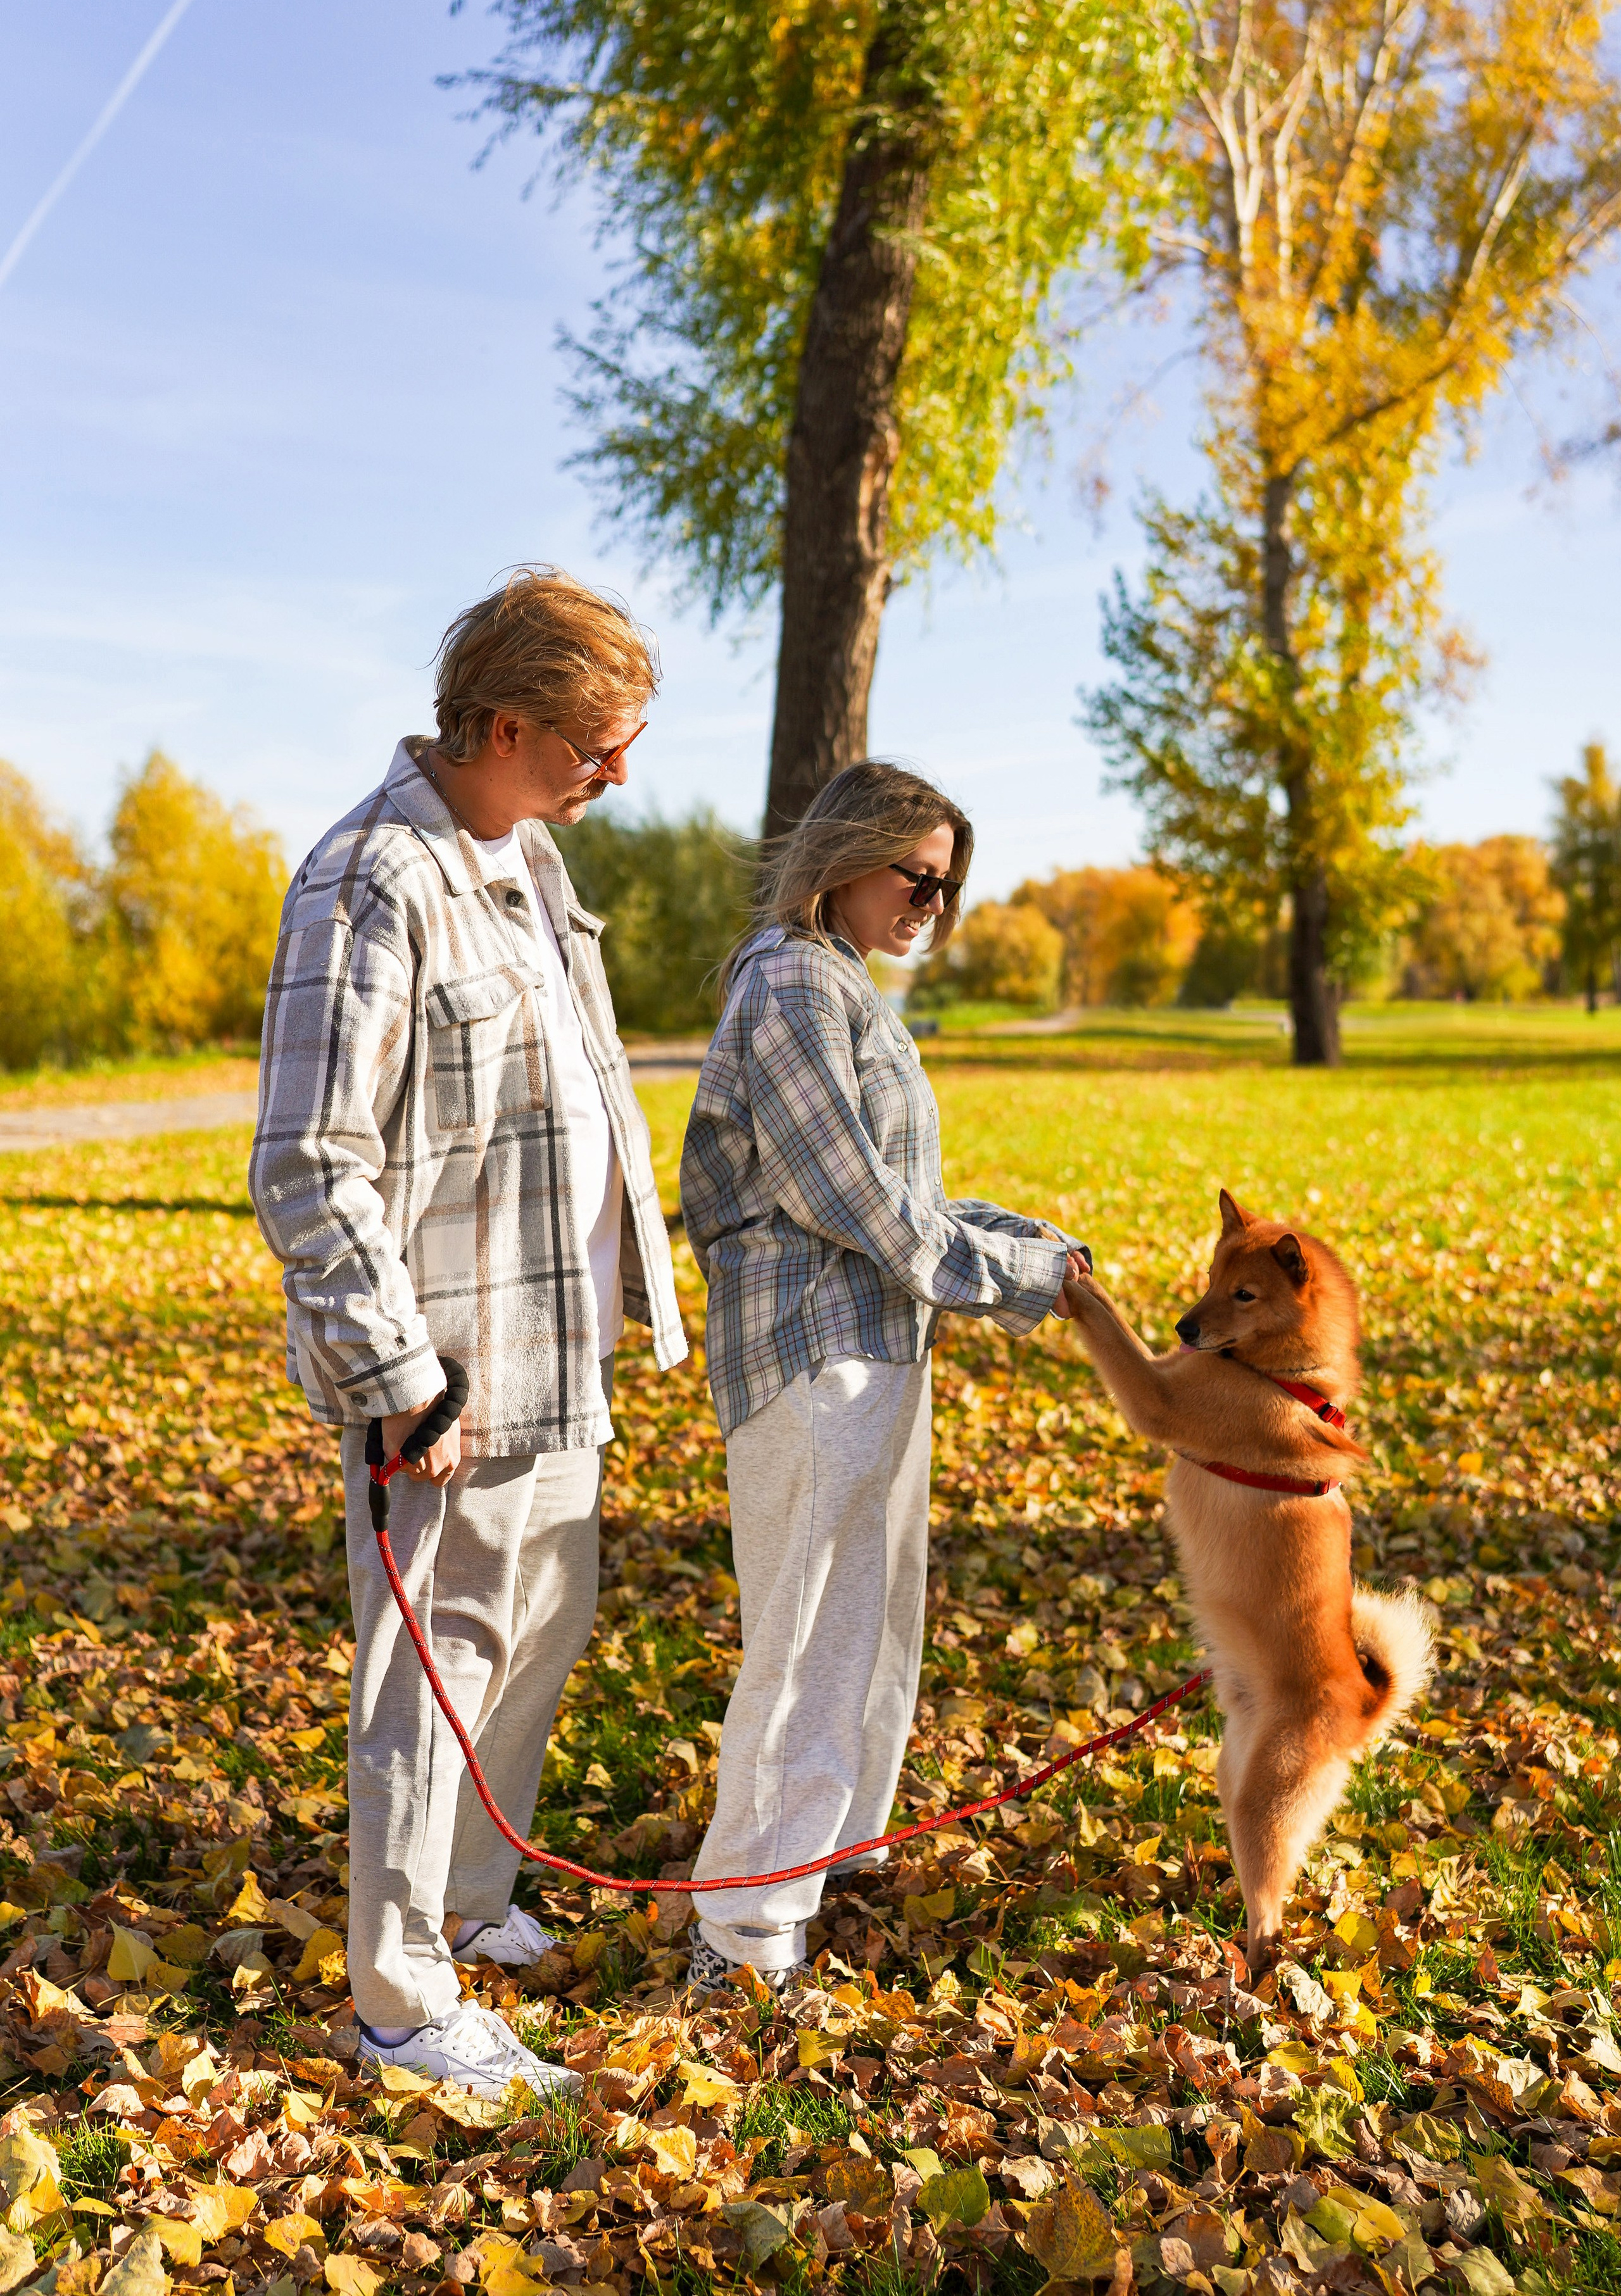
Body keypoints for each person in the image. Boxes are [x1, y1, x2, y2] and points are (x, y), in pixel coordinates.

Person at [249, 567, 686, 2097]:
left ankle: (468, 1907)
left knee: (532, 1645)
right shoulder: (369, 878)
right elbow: (308, 1159)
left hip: (560, 1358)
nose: (616, 776)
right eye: (593, 747)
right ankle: (399, 2001)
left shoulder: (531, 864)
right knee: (424, 1685)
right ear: (502, 723)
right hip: (444, 1387)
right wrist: (399, 1377)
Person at [679, 760, 1084, 1988]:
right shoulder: (793, 982)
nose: (929, 906)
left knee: (866, 1627)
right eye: (913, 877)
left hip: (874, 1347)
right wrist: (1012, 1282)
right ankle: (741, 1942)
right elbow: (853, 1203)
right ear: (842, 857)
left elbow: (897, 1202)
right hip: (813, 1358)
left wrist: (1025, 1240)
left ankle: (819, 1870)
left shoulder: (845, 984)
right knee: (805, 1643)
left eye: (946, 890)